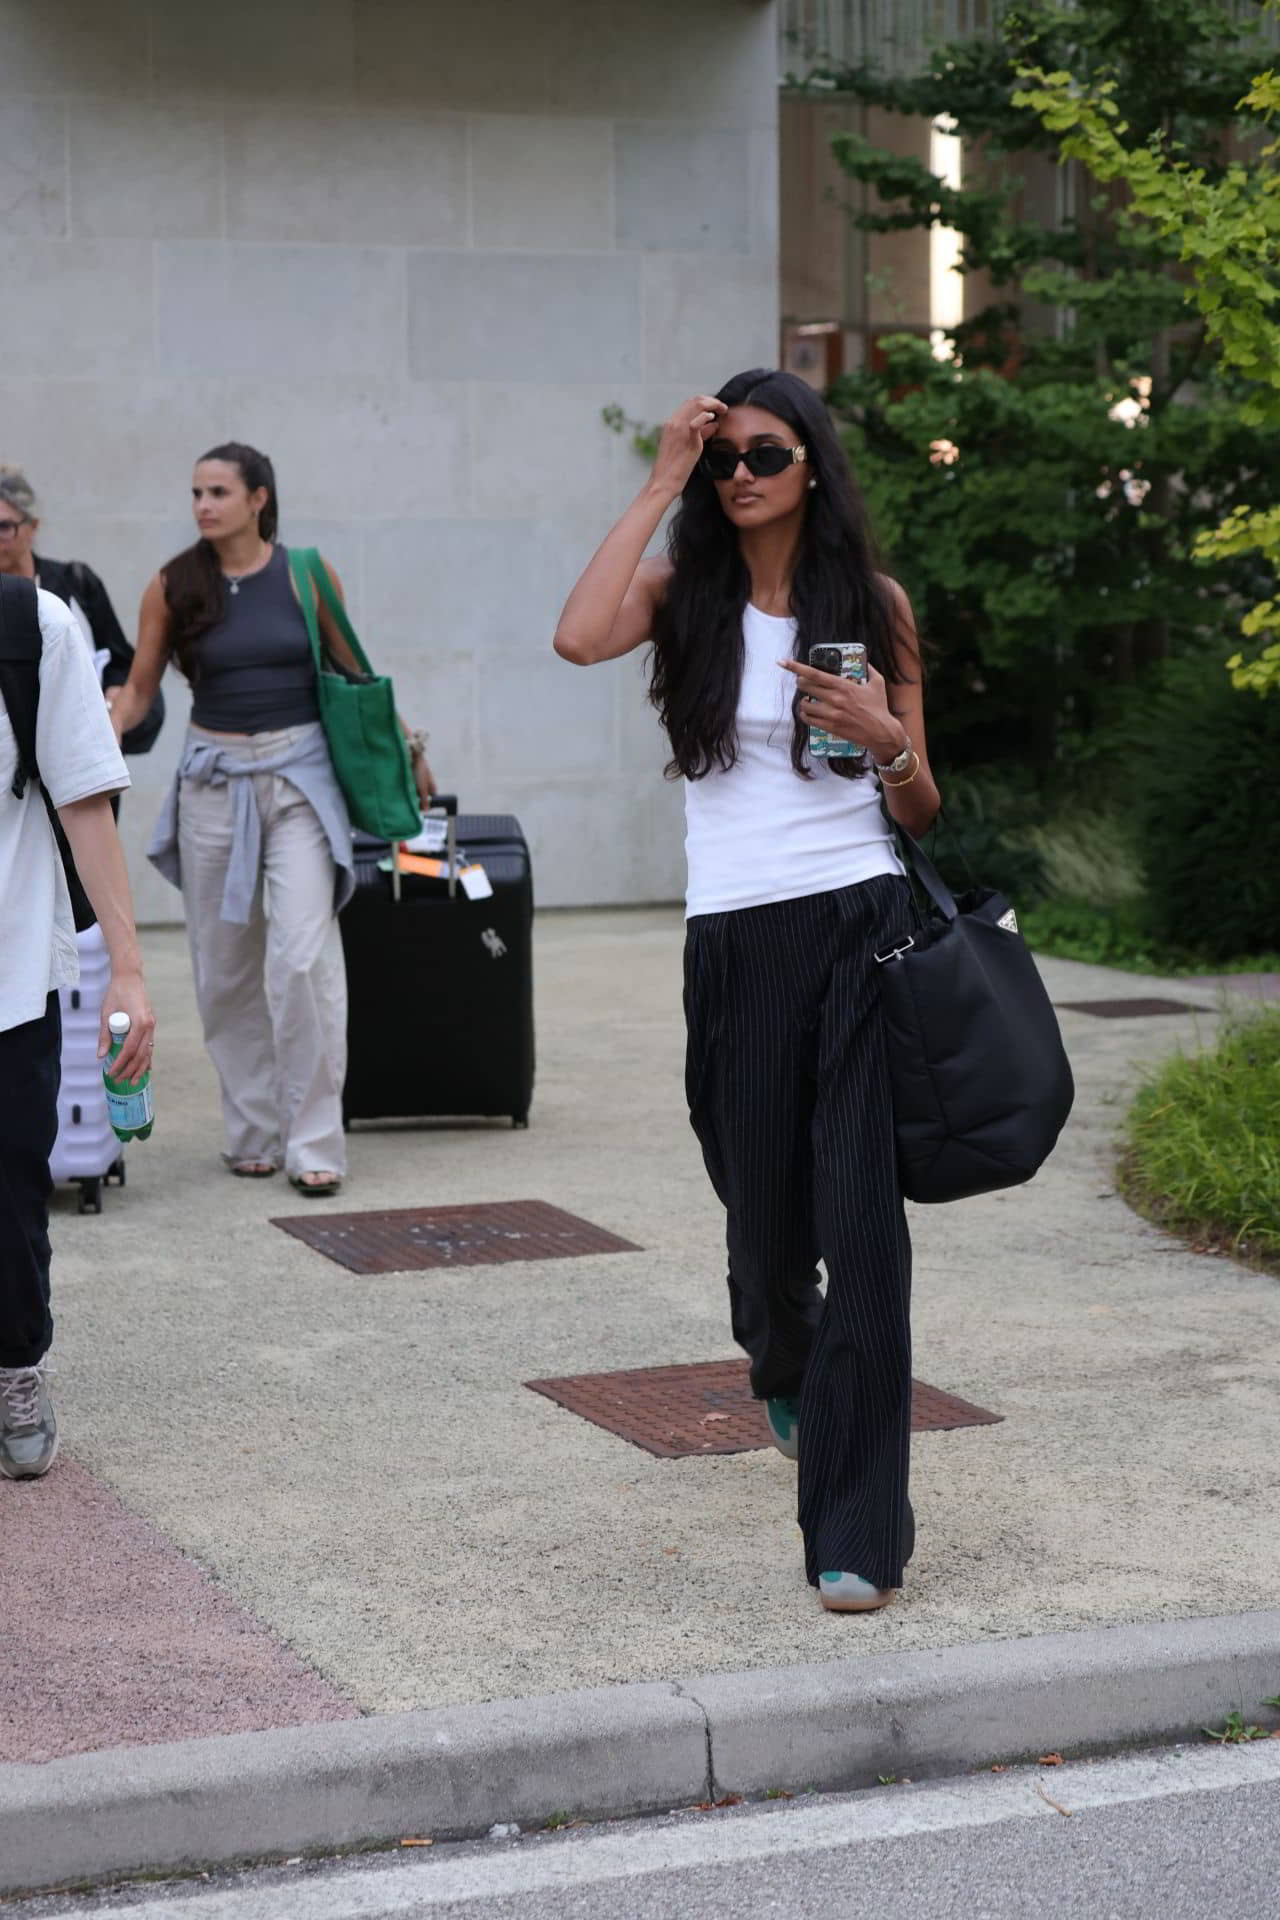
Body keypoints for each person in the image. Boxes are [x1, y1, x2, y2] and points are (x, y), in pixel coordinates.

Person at [554, 369, 941, 1613]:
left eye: (761, 455)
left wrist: (885, 740)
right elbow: (575, 634)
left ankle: (855, 1530)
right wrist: (659, 474)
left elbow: (923, 803)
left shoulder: (872, 606)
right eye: (722, 460)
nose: (740, 476)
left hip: (859, 926)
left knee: (864, 1238)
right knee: (761, 1218)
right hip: (734, 940)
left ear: (810, 467)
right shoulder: (685, 595)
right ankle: (779, 1352)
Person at [106, 443, 434, 1197]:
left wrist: (408, 747)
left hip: (299, 781)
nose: (202, 505)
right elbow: (140, 688)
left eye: (218, 490)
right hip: (213, 783)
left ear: (259, 499)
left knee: (300, 959)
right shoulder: (172, 585)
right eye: (194, 491)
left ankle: (315, 1140)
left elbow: (354, 671)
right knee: (223, 969)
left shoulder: (307, 574)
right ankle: (251, 1131)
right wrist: (90, 742)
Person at [0, 579, 155, 1480]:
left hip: (10, 974)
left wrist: (126, 968)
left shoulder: (35, 627)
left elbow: (84, 797)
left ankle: (16, 1361)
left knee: (12, 1190)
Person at [0, 466, 165, 756]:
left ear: (33, 526)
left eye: (4, 527)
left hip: (77, 754)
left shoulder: (74, 582)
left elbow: (119, 661)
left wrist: (112, 706)